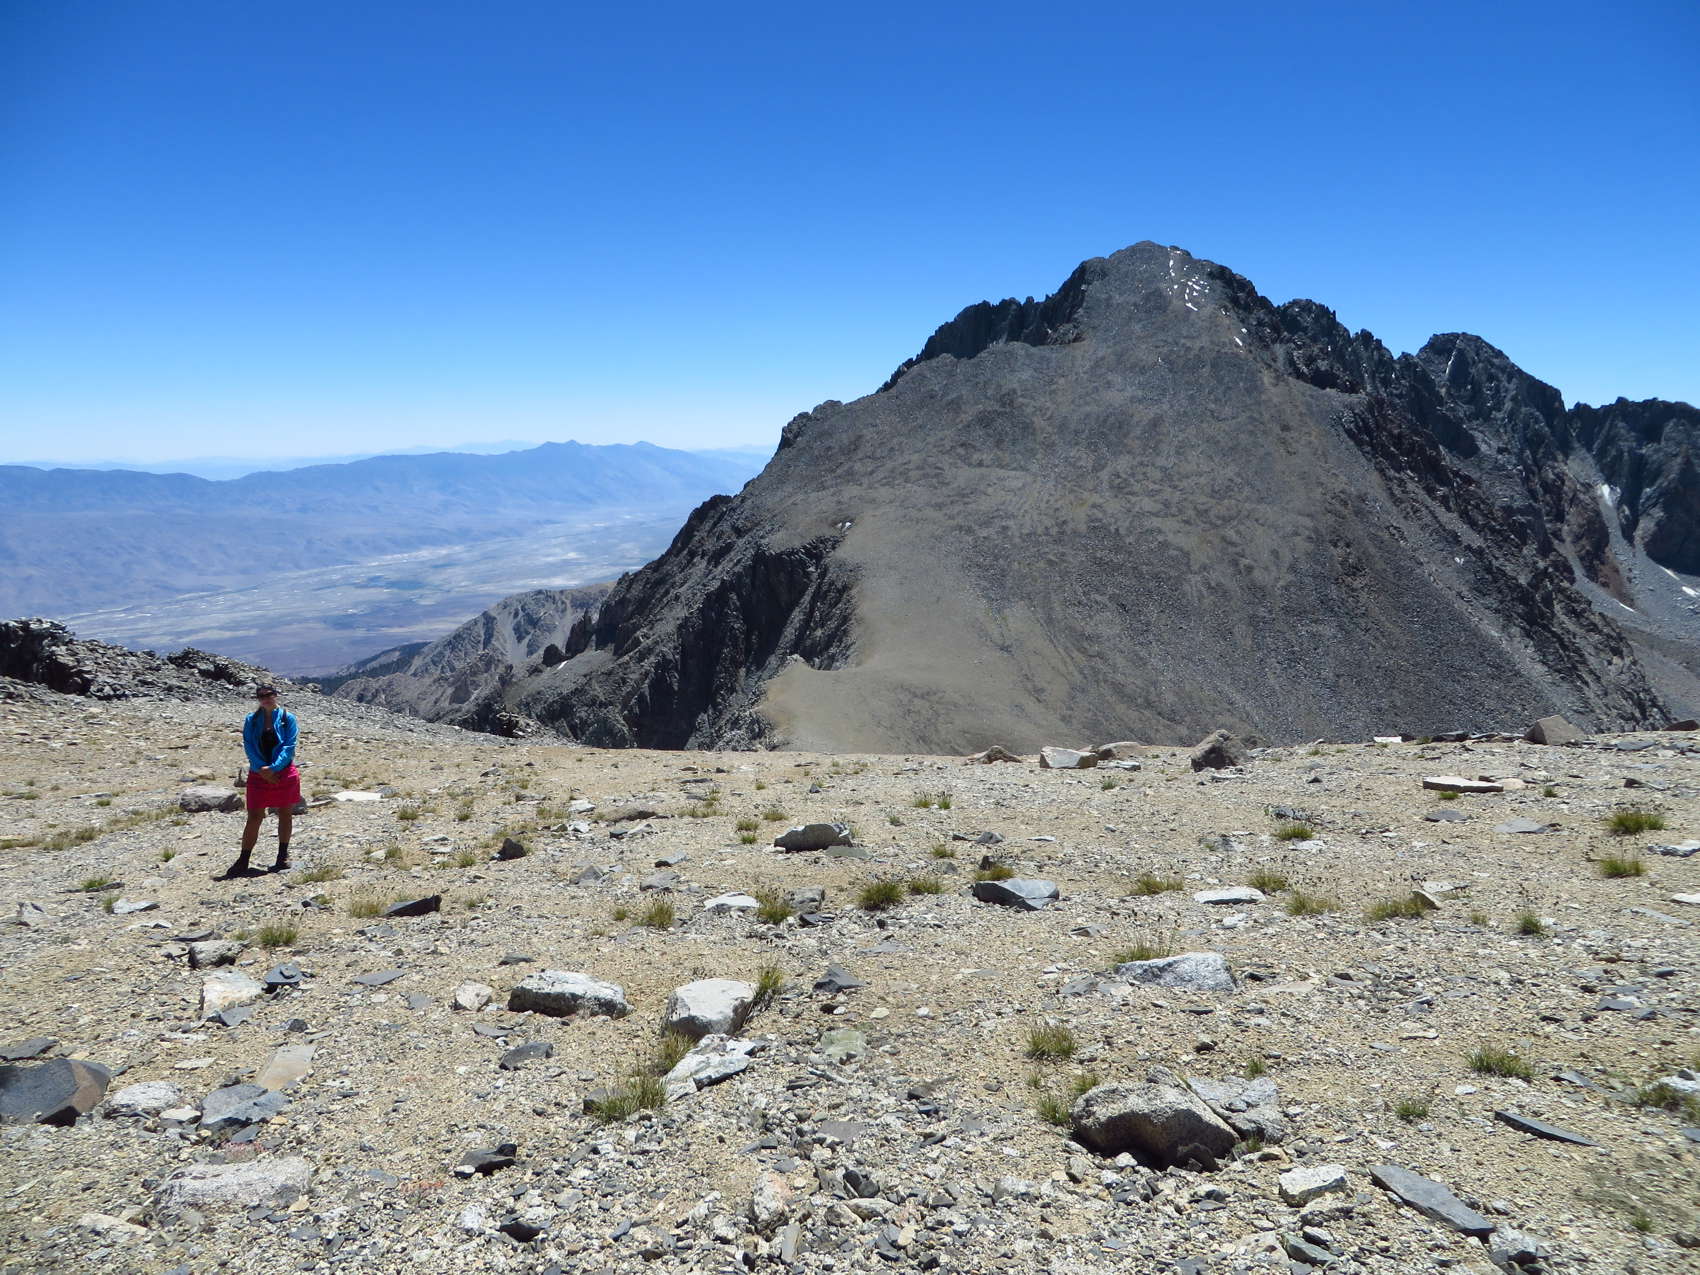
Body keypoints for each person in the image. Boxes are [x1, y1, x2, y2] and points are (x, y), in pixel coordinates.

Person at [223, 684, 301, 878]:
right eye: (261, 696)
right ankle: (243, 860)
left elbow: (289, 746)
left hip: (282, 772)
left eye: (269, 694)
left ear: (276, 695)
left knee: (285, 814)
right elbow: (248, 744)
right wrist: (261, 768)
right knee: (254, 816)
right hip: (259, 774)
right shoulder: (251, 719)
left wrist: (273, 768)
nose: (266, 698)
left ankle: (282, 856)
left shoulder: (287, 718)